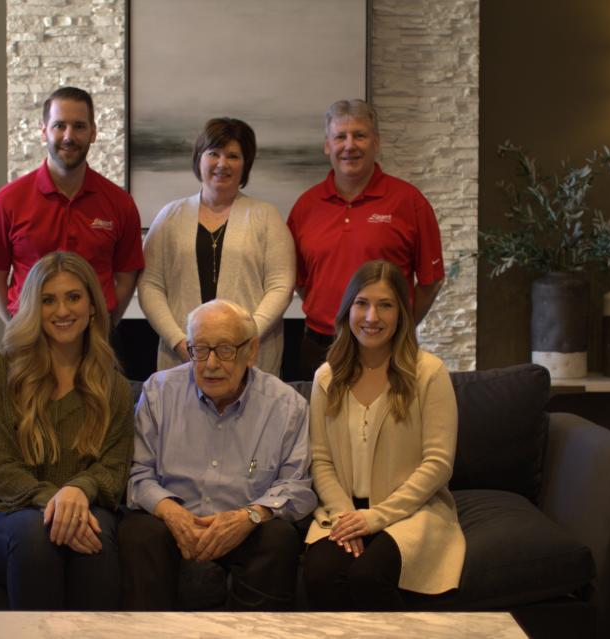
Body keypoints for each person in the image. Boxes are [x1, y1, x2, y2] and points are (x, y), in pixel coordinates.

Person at [0, 251, 135, 610]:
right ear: (33, 308)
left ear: (93, 306)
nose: (62, 311)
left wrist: (79, 490)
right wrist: (58, 501)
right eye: (48, 300)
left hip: (83, 511)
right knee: (37, 533)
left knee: (94, 535)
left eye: (73, 297)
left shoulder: (113, 385)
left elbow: (114, 468)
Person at [120, 299, 316, 610]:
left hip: (245, 525)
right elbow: (137, 472)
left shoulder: (287, 405)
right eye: (200, 349)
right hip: (173, 523)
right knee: (139, 531)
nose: (211, 364)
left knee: (278, 537)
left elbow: (296, 486)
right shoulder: (158, 393)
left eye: (225, 350)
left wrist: (250, 516)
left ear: (251, 351)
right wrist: (170, 511)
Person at [303, 260, 464, 610]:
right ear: (348, 310)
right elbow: (321, 460)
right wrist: (348, 517)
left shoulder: (429, 373)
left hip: (410, 510)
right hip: (343, 511)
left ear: (402, 314)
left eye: (385, 305)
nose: (371, 317)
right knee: (319, 574)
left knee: (368, 576)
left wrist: (374, 518)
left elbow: (437, 464)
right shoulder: (326, 378)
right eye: (362, 303)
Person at [287, 99, 445, 380]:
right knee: (318, 424)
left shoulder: (409, 202)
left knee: (390, 423)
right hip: (320, 347)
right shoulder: (305, 207)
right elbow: (299, 278)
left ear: (376, 142)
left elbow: (431, 281)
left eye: (360, 135)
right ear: (327, 145)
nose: (350, 146)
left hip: (387, 348)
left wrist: (397, 326)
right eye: (340, 137)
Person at [138, 117, 294, 375]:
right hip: (182, 358)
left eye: (233, 156)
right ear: (199, 158)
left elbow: (281, 284)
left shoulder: (266, 217)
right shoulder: (169, 216)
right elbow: (150, 284)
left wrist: (244, 338)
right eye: (213, 153)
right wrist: (179, 341)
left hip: (249, 357)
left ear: (246, 165)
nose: (222, 164)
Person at [0, 86, 144, 325]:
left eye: (79, 126)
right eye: (59, 126)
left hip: (95, 339)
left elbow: (127, 276)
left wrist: (104, 328)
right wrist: (18, 329)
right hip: (30, 337)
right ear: (44, 132)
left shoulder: (120, 204)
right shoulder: (5, 203)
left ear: (93, 133)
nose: (69, 136)